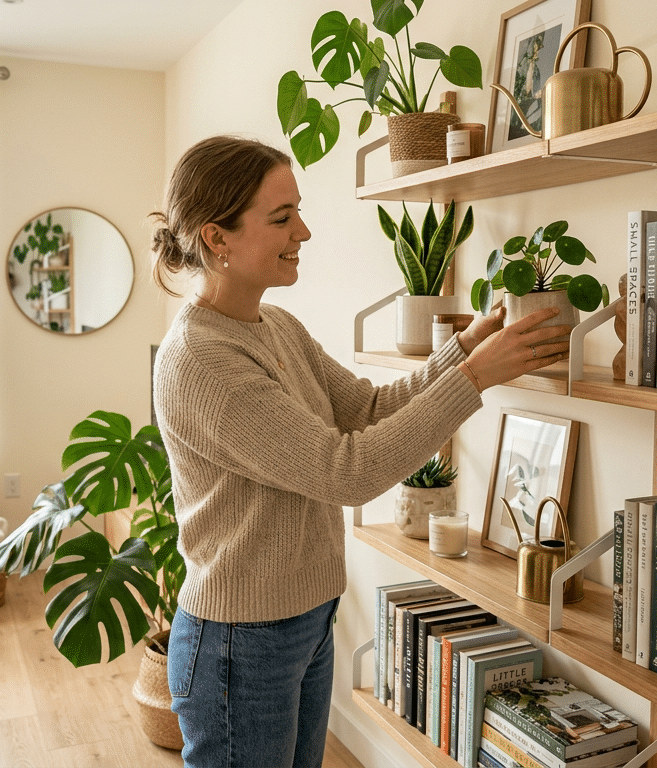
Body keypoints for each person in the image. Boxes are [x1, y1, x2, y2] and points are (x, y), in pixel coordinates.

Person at [149, 135, 569, 768]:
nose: (305, 231)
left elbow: (368, 409)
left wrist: (463, 350)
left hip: (307, 621)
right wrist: (474, 378)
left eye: (299, 210)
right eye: (282, 217)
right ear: (218, 239)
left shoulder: (277, 327)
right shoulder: (201, 360)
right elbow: (343, 472)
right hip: (241, 642)